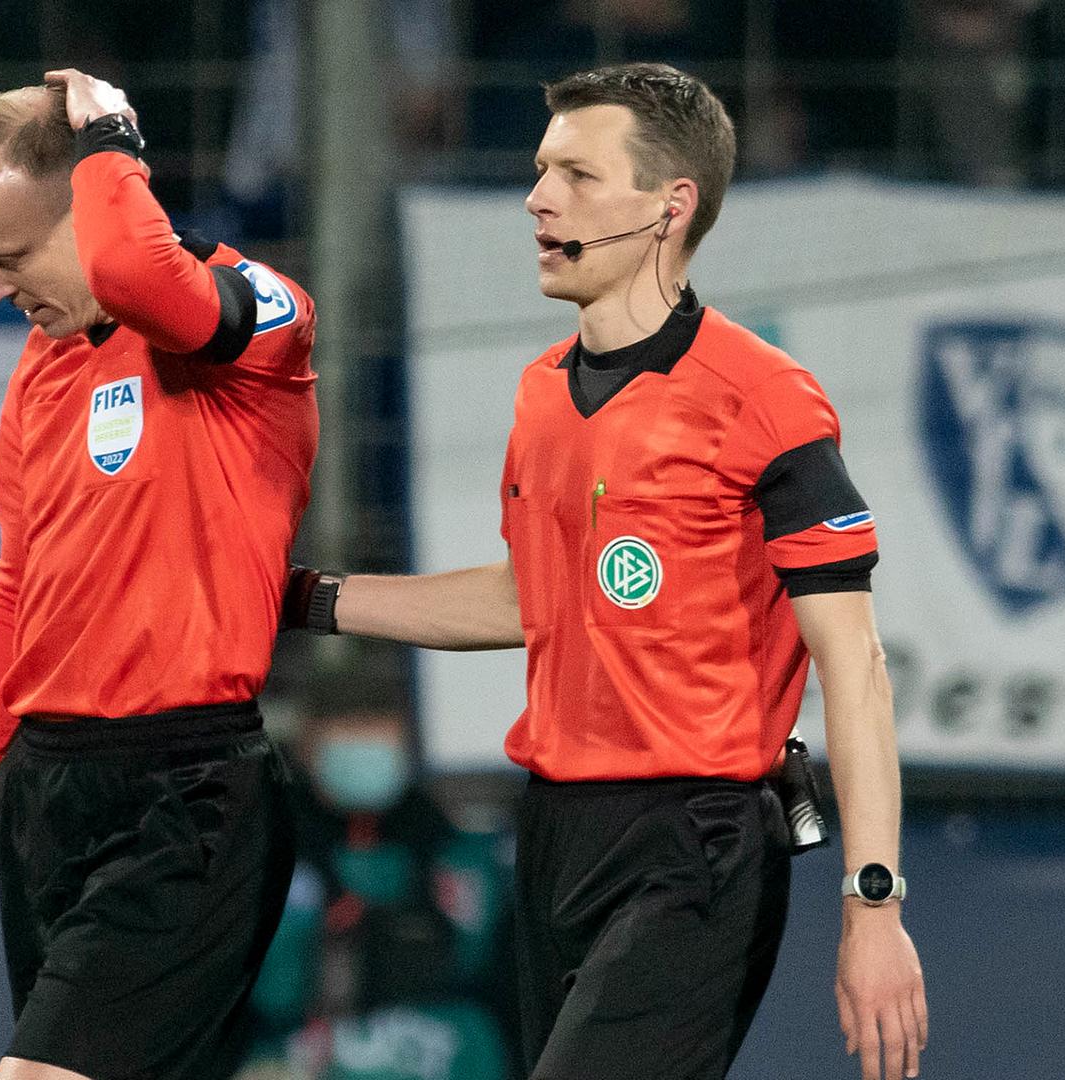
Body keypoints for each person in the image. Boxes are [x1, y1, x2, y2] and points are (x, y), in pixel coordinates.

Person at [286, 64, 927, 1080]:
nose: (539, 198)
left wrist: (874, 901)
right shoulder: (541, 393)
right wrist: (309, 600)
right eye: (542, 171)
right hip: (551, 832)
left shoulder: (764, 398)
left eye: (578, 176)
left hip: (696, 846)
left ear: (670, 207)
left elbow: (854, 664)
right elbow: (532, 597)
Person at [0, 69, 319, 1080]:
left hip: (188, 802)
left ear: (98, 197)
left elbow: (143, 275)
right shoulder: (43, 366)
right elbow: (18, 591)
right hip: (49, 799)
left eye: (11, 255)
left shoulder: (256, 321)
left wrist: (112, 130)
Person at [240, 698, 514, 1080]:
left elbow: (476, 959)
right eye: (349, 732)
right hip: (294, 1044)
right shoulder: (269, 854)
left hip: (435, 1037)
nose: (365, 749)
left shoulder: (448, 848)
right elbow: (267, 986)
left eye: (376, 729)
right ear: (310, 751)